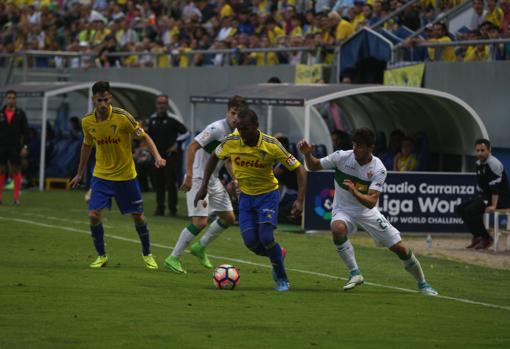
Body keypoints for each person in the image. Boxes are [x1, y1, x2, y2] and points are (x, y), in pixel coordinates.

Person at [297, 128, 438, 296]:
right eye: (354, 145)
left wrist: (355, 191)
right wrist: (307, 154)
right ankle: (355, 273)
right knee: (337, 229)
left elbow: (371, 203)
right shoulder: (341, 156)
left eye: (360, 146)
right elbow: (313, 166)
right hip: (343, 209)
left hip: (366, 212)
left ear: (371, 147)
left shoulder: (379, 169)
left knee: (400, 248)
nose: (356, 149)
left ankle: (423, 284)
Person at [194, 108, 307, 292]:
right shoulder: (232, 141)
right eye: (238, 128)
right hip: (245, 197)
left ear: (256, 126)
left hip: (267, 196)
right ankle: (278, 253)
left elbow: (299, 169)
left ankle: (281, 278)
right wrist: (203, 186)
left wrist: (300, 199)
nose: (241, 133)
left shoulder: (271, 144)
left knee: (266, 237)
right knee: (251, 244)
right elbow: (214, 158)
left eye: (245, 128)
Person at [70, 81, 166, 269]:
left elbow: (144, 136)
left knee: (138, 217)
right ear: (93, 100)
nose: (103, 104)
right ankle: (101, 256)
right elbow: (86, 146)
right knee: (93, 216)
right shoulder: (87, 121)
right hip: (101, 176)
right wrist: (79, 173)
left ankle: (147, 254)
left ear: (110, 98)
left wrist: (157, 156)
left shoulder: (123, 117)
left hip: (126, 176)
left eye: (106, 99)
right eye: (99, 100)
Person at [164, 96, 246, 274]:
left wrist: (236, 179)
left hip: (213, 178)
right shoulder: (216, 128)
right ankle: (173, 258)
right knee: (200, 222)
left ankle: (200, 247)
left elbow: (228, 160)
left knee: (229, 218)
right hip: (198, 178)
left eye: (239, 115)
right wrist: (189, 175)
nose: (235, 118)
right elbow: (192, 147)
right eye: (233, 113)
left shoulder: (236, 135)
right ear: (228, 111)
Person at [456, 139, 510, 249]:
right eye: (477, 150)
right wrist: (481, 200)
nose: (480, 153)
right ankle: (477, 237)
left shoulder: (494, 163)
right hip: (488, 197)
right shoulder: (478, 163)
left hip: (501, 198)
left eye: (482, 150)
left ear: (489, 150)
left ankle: (486, 238)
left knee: (470, 210)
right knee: (460, 208)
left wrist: (494, 206)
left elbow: (496, 187)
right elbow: (481, 184)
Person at [147, 94, 188, 216]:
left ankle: (172, 209)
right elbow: (148, 137)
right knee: (158, 183)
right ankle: (160, 208)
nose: (161, 106)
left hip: (170, 156)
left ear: (167, 105)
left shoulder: (173, 120)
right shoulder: (152, 120)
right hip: (156, 156)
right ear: (156, 105)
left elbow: (186, 133)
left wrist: (177, 144)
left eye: (164, 103)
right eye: (159, 103)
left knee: (170, 183)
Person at [0, 90, 29, 205]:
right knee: (1, 170)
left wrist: (25, 147)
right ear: (6, 99)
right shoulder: (1, 113)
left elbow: (26, 132)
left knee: (16, 170)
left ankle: (16, 198)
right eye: (9, 97)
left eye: (13, 98)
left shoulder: (20, 114)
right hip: (1, 146)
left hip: (15, 146)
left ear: (16, 100)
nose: (11, 100)